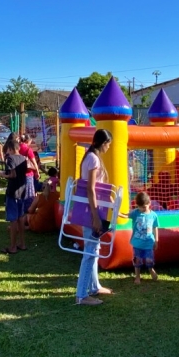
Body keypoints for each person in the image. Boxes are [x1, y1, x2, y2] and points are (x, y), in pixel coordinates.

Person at [75, 129, 115, 305]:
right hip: (92, 211)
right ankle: (81, 295)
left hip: (93, 209)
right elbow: (90, 189)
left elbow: (95, 188)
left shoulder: (90, 157)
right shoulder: (93, 159)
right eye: (108, 144)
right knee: (90, 252)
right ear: (103, 143)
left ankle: (94, 286)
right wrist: (96, 216)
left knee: (94, 250)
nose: (109, 147)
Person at [2, 138, 32, 254]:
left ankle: (13, 247)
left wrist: (3, 175)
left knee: (13, 221)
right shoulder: (24, 158)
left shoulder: (10, 159)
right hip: (22, 191)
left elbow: (12, 174)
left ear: (10, 149)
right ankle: (22, 244)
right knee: (20, 218)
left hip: (13, 192)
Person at [129, 191, 159, 284]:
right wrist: (116, 211)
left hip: (149, 242)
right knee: (137, 260)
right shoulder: (135, 213)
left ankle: (151, 270)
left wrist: (156, 240)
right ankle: (137, 276)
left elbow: (155, 227)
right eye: (140, 207)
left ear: (149, 203)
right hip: (137, 243)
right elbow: (125, 215)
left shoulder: (153, 215)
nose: (142, 209)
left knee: (150, 259)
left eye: (144, 207)